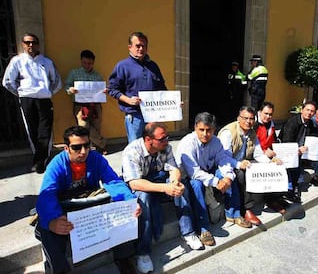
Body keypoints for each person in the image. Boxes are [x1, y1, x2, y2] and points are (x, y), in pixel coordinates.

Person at [35, 126, 141, 274]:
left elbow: (113, 182)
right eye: (77, 147)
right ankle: (59, 270)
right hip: (65, 205)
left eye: (86, 146)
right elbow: (47, 195)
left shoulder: (96, 158)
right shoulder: (56, 165)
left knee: (123, 210)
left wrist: (130, 202)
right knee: (48, 229)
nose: (83, 151)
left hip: (89, 200)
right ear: (66, 148)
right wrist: (52, 220)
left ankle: (124, 258)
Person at [122, 122, 203, 273]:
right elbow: (134, 183)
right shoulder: (131, 152)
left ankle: (188, 232)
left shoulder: (166, 147)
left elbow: (174, 169)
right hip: (141, 184)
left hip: (159, 177)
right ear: (148, 139)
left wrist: (174, 183)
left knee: (181, 187)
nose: (166, 141)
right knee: (143, 198)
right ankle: (143, 252)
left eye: (167, 137)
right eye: (162, 139)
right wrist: (165, 188)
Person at [176, 112, 252, 247]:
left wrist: (227, 177)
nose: (205, 134)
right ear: (195, 128)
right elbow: (193, 172)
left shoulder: (216, 141)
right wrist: (217, 182)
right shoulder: (188, 143)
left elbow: (222, 160)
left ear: (214, 129)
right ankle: (203, 228)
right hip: (191, 176)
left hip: (208, 170)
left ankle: (233, 213)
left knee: (229, 174)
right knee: (196, 185)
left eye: (209, 130)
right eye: (201, 130)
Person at [2, 32, 62, 173]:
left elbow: (56, 81)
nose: (31, 45)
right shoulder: (17, 61)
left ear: (38, 44)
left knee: (45, 130)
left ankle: (41, 161)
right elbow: (8, 81)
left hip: (44, 100)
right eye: (27, 42)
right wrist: (21, 93)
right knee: (32, 130)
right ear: (22, 44)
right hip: (27, 99)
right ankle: (38, 159)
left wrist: (48, 92)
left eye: (34, 42)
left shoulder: (46, 62)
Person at [218, 106, 285, 225]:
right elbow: (223, 157)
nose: (248, 121)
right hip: (226, 164)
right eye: (245, 118)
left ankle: (272, 199)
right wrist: (238, 164)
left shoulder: (252, 132)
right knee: (241, 174)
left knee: (270, 168)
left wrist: (270, 162)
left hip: (244, 161)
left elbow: (258, 153)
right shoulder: (229, 132)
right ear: (239, 118)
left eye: (251, 119)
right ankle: (246, 209)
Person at [108, 31, 166, 143]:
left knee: (155, 145)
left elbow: (162, 88)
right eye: (137, 46)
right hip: (135, 115)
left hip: (153, 114)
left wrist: (174, 103)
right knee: (136, 147)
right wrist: (128, 100)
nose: (141, 49)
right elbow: (112, 89)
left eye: (143, 46)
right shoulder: (122, 66)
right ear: (130, 47)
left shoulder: (153, 66)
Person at [65, 50, 107, 154]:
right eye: (85, 63)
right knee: (83, 127)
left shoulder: (97, 75)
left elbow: (102, 89)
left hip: (95, 105)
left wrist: (104, 91)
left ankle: (97, 148)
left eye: (90, 63)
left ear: (93, 62)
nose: (87, 65)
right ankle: (102, 144)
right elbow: (67, 85)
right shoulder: (74, 73)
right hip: (80, 106)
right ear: (81, 61)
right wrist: (71, 90)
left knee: (96, 127)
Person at [279, 101, 318, 203]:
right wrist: (297, 149)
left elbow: (317, 136)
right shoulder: (292, 122)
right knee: (295, 163)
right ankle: (290, 188)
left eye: (312, 111)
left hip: (301, 151)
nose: (309, 113)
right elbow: (286, 141)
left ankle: (295, 185)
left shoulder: (311, 123)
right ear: (302, 110)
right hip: (286, 149)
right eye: (307, 110)